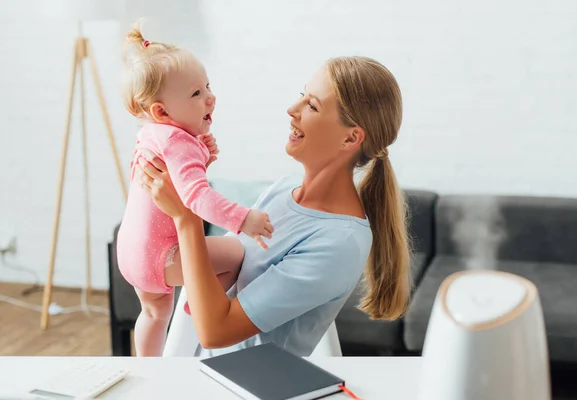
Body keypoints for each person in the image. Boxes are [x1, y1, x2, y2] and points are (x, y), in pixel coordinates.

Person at [134, 56, 413, 358]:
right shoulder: (282, 191)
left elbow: (215, 332)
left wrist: (185, 217)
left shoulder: (340, 242)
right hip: (209, 375)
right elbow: (221, 269)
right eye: (301, 95)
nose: (292, 110)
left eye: (312, 105)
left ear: (350, 137)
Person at [116, 26, 274, 357]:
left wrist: (202, 154)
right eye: (196, 94)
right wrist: (243, 219)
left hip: (132, 253)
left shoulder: (151, 134)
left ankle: (147, 370)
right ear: (162, 111)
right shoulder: (178, 142)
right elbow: (197, 198)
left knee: (155, 314)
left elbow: (175, 183)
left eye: (208, 87)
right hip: (163, 255)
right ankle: (201, 309)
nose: (210, 98)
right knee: (235, 254)